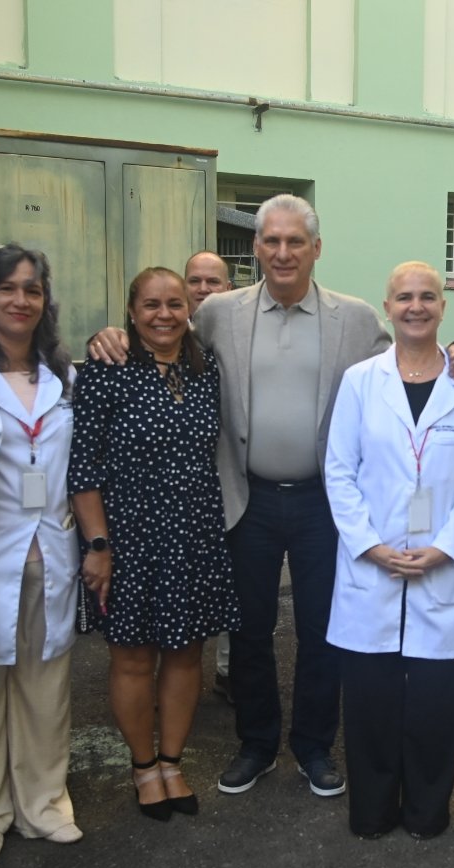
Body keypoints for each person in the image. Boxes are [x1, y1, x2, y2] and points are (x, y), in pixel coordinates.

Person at [89, 196, 419, 800]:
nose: (283, 252)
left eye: (296, 242)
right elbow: (157, 337)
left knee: (323, 630)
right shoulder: (218, 313)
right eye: (272, 241)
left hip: (325, 502)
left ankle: (315, 746)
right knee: (250, 629)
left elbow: (408, 368)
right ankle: (258, 743)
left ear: (316, 249)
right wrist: (106, 333)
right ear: (257, 248)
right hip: (246, 499)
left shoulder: (354, 318)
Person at [324, 263, 454, 838]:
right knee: (369, 703)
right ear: (388, 307)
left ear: (443, 307)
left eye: (427, 297)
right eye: (404, 297)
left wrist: (446, 548)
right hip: (372, 571)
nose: (416, 306)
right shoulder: (360, 381)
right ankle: (371, 810)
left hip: (440, 570)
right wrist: (369, 545)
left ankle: (427, 810)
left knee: (434, 706)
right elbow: (339, 473)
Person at [70, 268, 239, 821]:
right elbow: (84, 467)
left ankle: (173, 762)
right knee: (135, 656)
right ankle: (142, 767)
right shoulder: (106, 368)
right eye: (150, 305)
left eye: (174, 303)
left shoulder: (205, 367)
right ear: (131, 310)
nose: (164, 314)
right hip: (129, 533)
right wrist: (98, 544)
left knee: (186, 652)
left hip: (193, 529)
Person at [0, 243, 82, 861]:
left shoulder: (65, 376)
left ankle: (44, 802)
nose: (20, 300)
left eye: (32, 289)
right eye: (7, 289)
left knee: (45, 683)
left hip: (51, 549)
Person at [182, 249, 237, 703]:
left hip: (230, 480)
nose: (203, 289)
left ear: (229, 289)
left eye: (213, 282)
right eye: (195, 281)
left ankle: (226, 672)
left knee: (231, 580)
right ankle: (177, 677)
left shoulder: (233, 333)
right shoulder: (159, 337)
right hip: (180, 485)